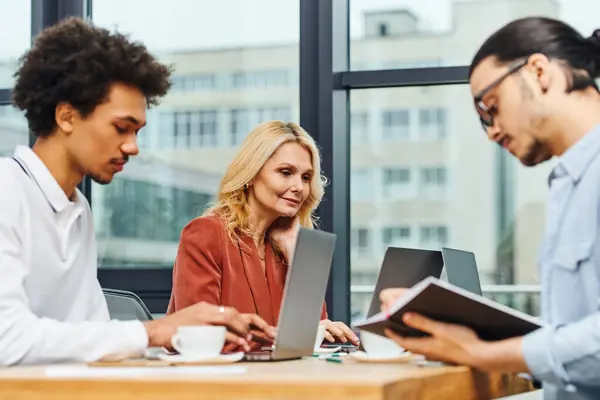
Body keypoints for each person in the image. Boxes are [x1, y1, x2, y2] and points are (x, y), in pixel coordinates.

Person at [0, 16, 272, 366]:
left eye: (137, 132)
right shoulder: (7, 191)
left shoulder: (76, 208)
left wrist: (203, 332)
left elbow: (93, 334)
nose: (132, 147)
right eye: (121, 128)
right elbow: (7, 339)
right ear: (66, 116)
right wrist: (154, 330)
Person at [379, 17, 600, 399]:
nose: (493, 131)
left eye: (490, 107)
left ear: (539, 71)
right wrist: (460, 326)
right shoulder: (569, 184)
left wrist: (485, 353)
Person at [167, 120, 358, 350]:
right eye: (285, 172)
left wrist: (296, 256)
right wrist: (294, 337)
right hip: (219, 381)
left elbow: (309, 341)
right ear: (251, 174)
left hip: (280, 379)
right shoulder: (205, 234)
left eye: (306, 177)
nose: (299, 186)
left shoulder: (288, 243)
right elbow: (202, 338)